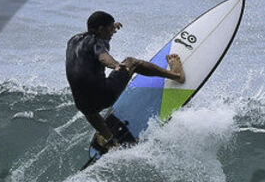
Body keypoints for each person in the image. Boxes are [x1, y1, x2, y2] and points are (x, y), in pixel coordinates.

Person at [66, 10, 185, 150]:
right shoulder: (97, 42)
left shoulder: (74, 40)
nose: (112, 33)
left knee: (86, 101)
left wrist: (110, 26)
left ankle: (109, 140)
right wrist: (115, 64)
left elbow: (92, 46)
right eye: (110, 29)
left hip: (83, 104)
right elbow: (102, 56)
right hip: (104, 96)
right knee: (132, 62)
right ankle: (176, 75)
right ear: (100, 29)